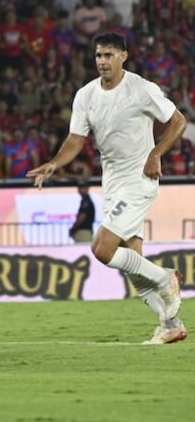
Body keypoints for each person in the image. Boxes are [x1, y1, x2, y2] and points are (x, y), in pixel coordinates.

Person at [26, 32, 186, 345]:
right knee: (133, 264)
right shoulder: (85, 95)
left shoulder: (141, 89)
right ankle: (171, 324)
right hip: (112, 183)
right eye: (99, 55)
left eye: (109, 55)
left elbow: (177, 121)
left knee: (102, 249)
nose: (103, 61)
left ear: (123, 56)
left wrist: (155, 154)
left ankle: (166, 277)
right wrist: (54, 164)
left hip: (140, 180)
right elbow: (75, 140)